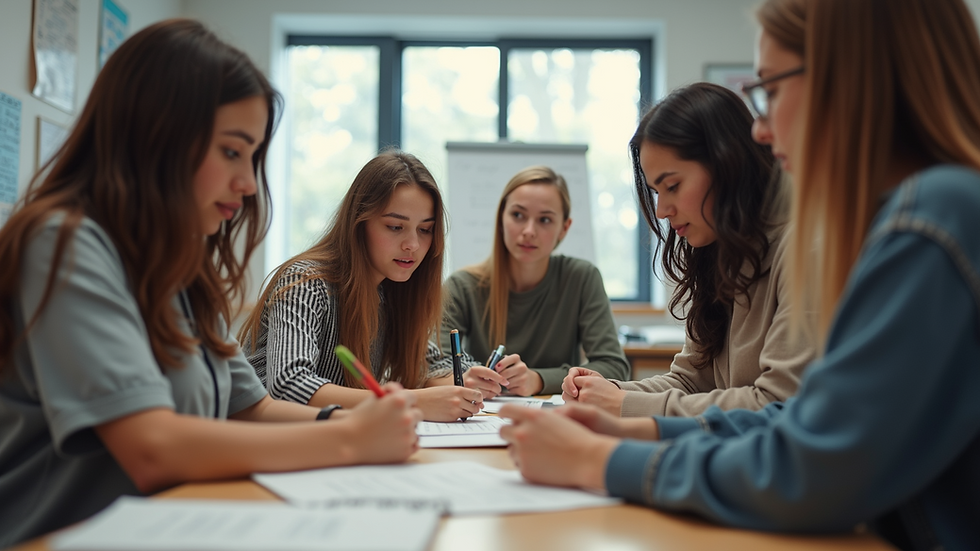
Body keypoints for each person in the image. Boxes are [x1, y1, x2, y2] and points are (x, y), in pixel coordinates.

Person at [500, 0, 980, 549]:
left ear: (850, 80)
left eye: (771, 91)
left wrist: (604, 458)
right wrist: (635, 428)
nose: (762, 130)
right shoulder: (922, 213)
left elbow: (809, 461)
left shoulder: (931, 221)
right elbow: (799, 428)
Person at [0, 20, 422, 547]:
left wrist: (346, 422)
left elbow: (252, 408)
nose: (247, 184)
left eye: (253, 157)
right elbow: (150, 446)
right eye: (231, 151)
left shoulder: (181, 266)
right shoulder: (64, 242)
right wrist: (348, 439)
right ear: (157, 134)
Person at [561, 82, 814, 417]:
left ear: (728, 164)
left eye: (674, 186)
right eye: (656, 192)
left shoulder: (805, 247)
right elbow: (690, 381)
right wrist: (610, 390)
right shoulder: (719, 252)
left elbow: (777, 403)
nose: (663, 210)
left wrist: (624, 404)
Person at [239, 151, 484, 422]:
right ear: (359, 223)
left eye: (425, 230)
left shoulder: (390, 290)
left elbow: (431, 365)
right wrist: (414, 401)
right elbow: (289, 384)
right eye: (394, 226)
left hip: (332, 445)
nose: (412, 244)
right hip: (264, 444)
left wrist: (470, 378)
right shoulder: (305, 283)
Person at [440, 166, 629, 398]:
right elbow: (431, 365)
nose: (529, 231)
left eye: (545, 220)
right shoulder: (462, 286)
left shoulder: (582, 278)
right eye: (518, 215)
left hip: (556, 420)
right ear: (501, 218)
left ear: (564, 228)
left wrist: (538, 379)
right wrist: (466, 379)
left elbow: (614, 367)